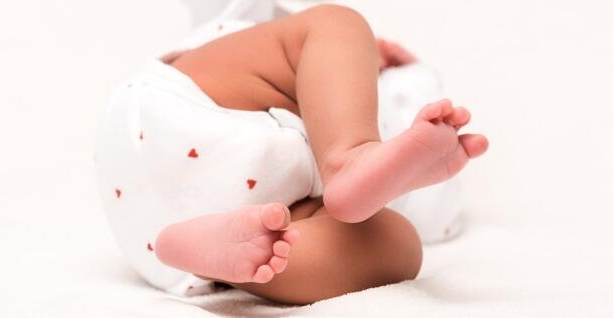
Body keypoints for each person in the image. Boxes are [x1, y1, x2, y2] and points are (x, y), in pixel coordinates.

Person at [94, 4, 488, 304]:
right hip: (194, 104)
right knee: (336, 25)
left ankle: (227, 258)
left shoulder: (406, 171)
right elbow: (441, 221)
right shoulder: (309, 49)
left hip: (168, 180)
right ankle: (348, 155)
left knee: (398, 243)